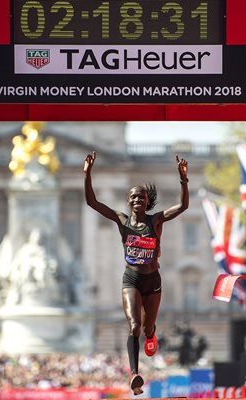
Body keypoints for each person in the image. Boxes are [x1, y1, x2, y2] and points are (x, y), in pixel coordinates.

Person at [83, 151, 189, 395]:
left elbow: (183, 206)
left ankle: (152, 334)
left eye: (141, 196)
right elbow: (93, 203)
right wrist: (88, 174)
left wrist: (183, 179)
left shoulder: (156, 221)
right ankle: (135, 374)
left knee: (148, 326)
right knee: (134, 325)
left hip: (153, 281)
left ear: (146, 201)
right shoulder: (122, 221)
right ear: (129, 202)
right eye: (133, 197)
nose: (137, 199)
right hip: (131, 279)